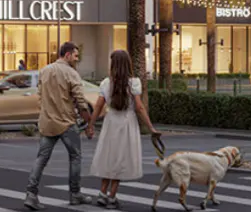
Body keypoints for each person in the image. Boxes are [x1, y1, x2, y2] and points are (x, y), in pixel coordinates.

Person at [24, 41, 95, 211]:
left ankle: (31, 194)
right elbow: (80, 102)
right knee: (75, 156)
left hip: (47, 122)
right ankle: (75, 193)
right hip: (66, 122)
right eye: (76, 56)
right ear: (67, 54)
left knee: (41, 158)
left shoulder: (44, 71)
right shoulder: (72, 73)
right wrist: (89, 124)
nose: (77, 59)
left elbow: (40, 97)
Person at [90, 48, 160, 210]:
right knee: (121, 159)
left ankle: (102, 193)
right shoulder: (134, 83)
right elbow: (140, 107)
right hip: (127, 122)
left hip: (111, 122)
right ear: (127, 64)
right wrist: (151, 128)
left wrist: (91, 125)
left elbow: (99, 105)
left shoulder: (106, 83)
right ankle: (112, 196)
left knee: (109, 157)